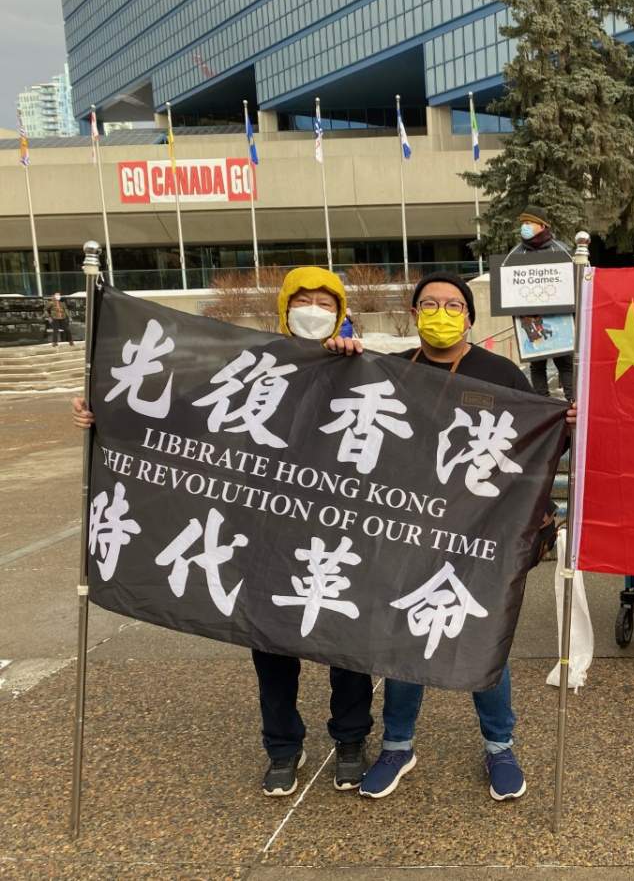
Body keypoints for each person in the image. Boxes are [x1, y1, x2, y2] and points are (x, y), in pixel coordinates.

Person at [72, 266, 374, 799]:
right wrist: (109, 412)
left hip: (334, 530)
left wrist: (353, 356)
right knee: (269, 645)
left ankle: (350, 740)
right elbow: (185, 413)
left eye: (325, 303)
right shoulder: (254, 363)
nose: (313, 309)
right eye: (302, 299)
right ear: (284, 308)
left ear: (341, 313)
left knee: (344, 643)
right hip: (264, 530)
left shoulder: (360, 367)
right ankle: (283, 746)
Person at [337, 271, 537, 802]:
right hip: (410, 533)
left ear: (468, 316)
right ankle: (397, 745)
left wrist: (566, 423)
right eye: (429, 304)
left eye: (453, 305)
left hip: (480, 535)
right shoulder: (395, 370)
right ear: (414, 313)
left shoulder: (502, 374)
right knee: (404, 638)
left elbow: (536, 445)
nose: (441, 314)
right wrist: (334, 354)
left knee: (483, 639)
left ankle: (500, 746)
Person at [505, 206, 574, 401]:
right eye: (523, 223)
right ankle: (543, 404)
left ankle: (573, 402)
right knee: (537, 365)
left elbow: (575, 282)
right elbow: (508, 286)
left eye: (529, 223)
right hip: (529, 318)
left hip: (559, 317)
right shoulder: (514, 254)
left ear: (542, 226)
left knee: (565, 364)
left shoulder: (561, 250)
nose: (524, 227)